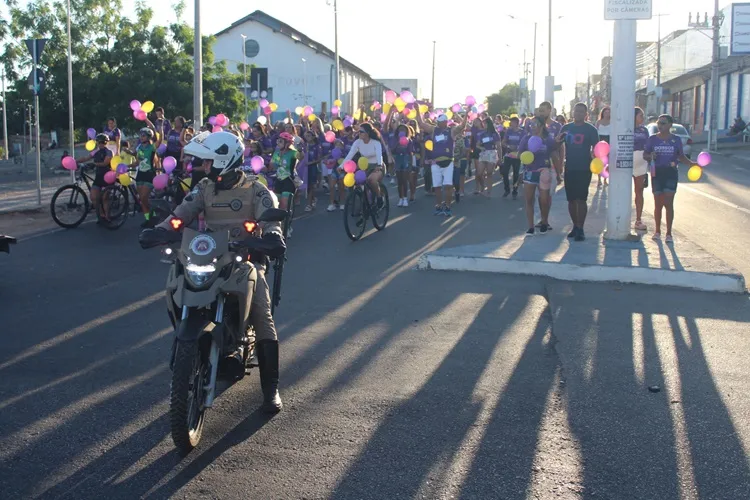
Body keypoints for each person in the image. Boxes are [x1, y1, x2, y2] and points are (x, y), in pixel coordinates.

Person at [140, 131, 285, 414]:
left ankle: (271, 389)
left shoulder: (256, 190)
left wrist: (271, 236)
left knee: (262, 316)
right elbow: (181, 214)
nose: (203, 167)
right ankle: (190, 348)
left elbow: (271, 222)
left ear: (224, 160)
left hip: (245, 260)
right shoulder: (204, 188)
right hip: (208, 258)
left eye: (208, 162)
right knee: (177, 282)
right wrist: (160, 230)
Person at [643, 114, 696, 243]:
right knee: (658, 203)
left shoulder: (676, 139)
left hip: (671, 173)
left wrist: (692, 164)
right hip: (657, 173)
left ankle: (669, 233)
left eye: (663, 123)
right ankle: (657, 231)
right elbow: (645, 155)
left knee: (668, 202)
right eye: (659, 123)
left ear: (670, 125)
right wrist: (650, 156)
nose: (660, 126)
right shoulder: (652, 139)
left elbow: (681, 156)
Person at [557, 103, 599, 241]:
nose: (579, 113)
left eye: (582, 111)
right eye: (577, 111)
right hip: (570, 167)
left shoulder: (590, 129)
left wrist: (596, 156)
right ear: (573, 112)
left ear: (586, 114)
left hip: (584, 168)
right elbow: (557, 145)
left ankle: (580, 228)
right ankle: (575, 226)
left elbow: (597, 149)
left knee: (581, 199)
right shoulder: (566, 128)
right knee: (571, 200)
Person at [416, 111, 469, 217]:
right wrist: (417, 110)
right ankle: (439, 205)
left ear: (446, 122)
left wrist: (466, 113)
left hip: (448, 162)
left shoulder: (451, 131)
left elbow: (462, 126)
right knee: (437, 187)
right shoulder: (433, 130)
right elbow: (421, 124)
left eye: (443, 121)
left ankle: (448, 206)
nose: (441, 123)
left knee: (448, 186)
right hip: (435, 163)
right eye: (439, 122)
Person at [519, 116, 559, 236]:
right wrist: (526, 158)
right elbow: (520, 153)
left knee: (544, 200)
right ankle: (530, 227)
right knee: (529, 200)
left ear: (542, 126)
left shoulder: (548, 140)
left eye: (535, 124)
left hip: (544, 172)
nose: (532, 126)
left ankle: (544, 223)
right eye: (531, 124)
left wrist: (559, 172)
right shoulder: (526, 138)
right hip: (530, 172)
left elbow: (554, 154)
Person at [343, 122, 386, 206]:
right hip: (364, 165)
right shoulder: (357, 142)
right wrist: (341, 166)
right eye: (358, 131)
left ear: (368, 133)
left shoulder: (376, 142)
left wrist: (379, 165)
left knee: (371, 180)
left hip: (377, 166)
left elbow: (379, 154)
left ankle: (379, 197)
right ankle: (365, 202)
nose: (359, 133)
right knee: (358, 180)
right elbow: (349, 155)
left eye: (361, 132)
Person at [73, 133, 113, 222]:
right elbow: (86, 157)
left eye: (102, 142)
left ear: (106, 143)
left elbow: (105, 163)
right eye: (99, 142)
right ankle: (101, 215)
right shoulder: (96, 151)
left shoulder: (109, 152)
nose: (100, 144)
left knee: (104, 198)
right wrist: (75, 161)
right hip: (99, 177)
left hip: (108, 177)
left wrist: (94, 164)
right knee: (94, 197)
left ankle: (107, 217)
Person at [632, 107, 650, 232]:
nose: (642, 118)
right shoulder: (625, 127)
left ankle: (638, 220)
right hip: (627, 160)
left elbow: (648, 145)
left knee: (639, 191)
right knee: (623, 191)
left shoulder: (644, 130)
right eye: (640, 115)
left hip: (641, 162)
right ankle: (620, 218)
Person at [500, 116, 524, 199]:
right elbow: (503, 142)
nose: (511, 123)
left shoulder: (522, 132)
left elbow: (524, 143)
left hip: (517, 155)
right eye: (510, 122)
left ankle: (515, 190)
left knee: (516, 174)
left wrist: (517, 147)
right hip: (508, 154)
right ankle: (507, 190)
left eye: (512, 122)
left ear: (517, 123)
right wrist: (508, 146)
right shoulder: (508, 131)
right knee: (504, 172)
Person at [596, 107, 611, 187]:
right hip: (600, 142)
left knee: (607, 162)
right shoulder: (598, 122)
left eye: (609, 112)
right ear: (603, 113)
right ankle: (599, 180)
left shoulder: (612, 122)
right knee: (599, 162)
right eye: (605, 112)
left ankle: (605, 179)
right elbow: (596, 133)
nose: (607, 114)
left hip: (608, 141)